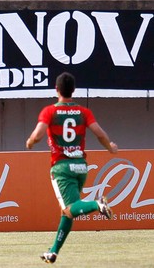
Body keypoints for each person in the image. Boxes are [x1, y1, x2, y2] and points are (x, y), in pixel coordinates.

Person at [25, 72, 119, 264]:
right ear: (73, 90)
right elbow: (99, 133)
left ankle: (97, 204)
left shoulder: (50, 111)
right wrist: (110, 146)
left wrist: (30, 142)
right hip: (81, 167)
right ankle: (53, 252)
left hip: (61, 167)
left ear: (56, 89)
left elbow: (38, 135)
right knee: (67, 212)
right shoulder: (83, 112)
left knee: (69, 208)